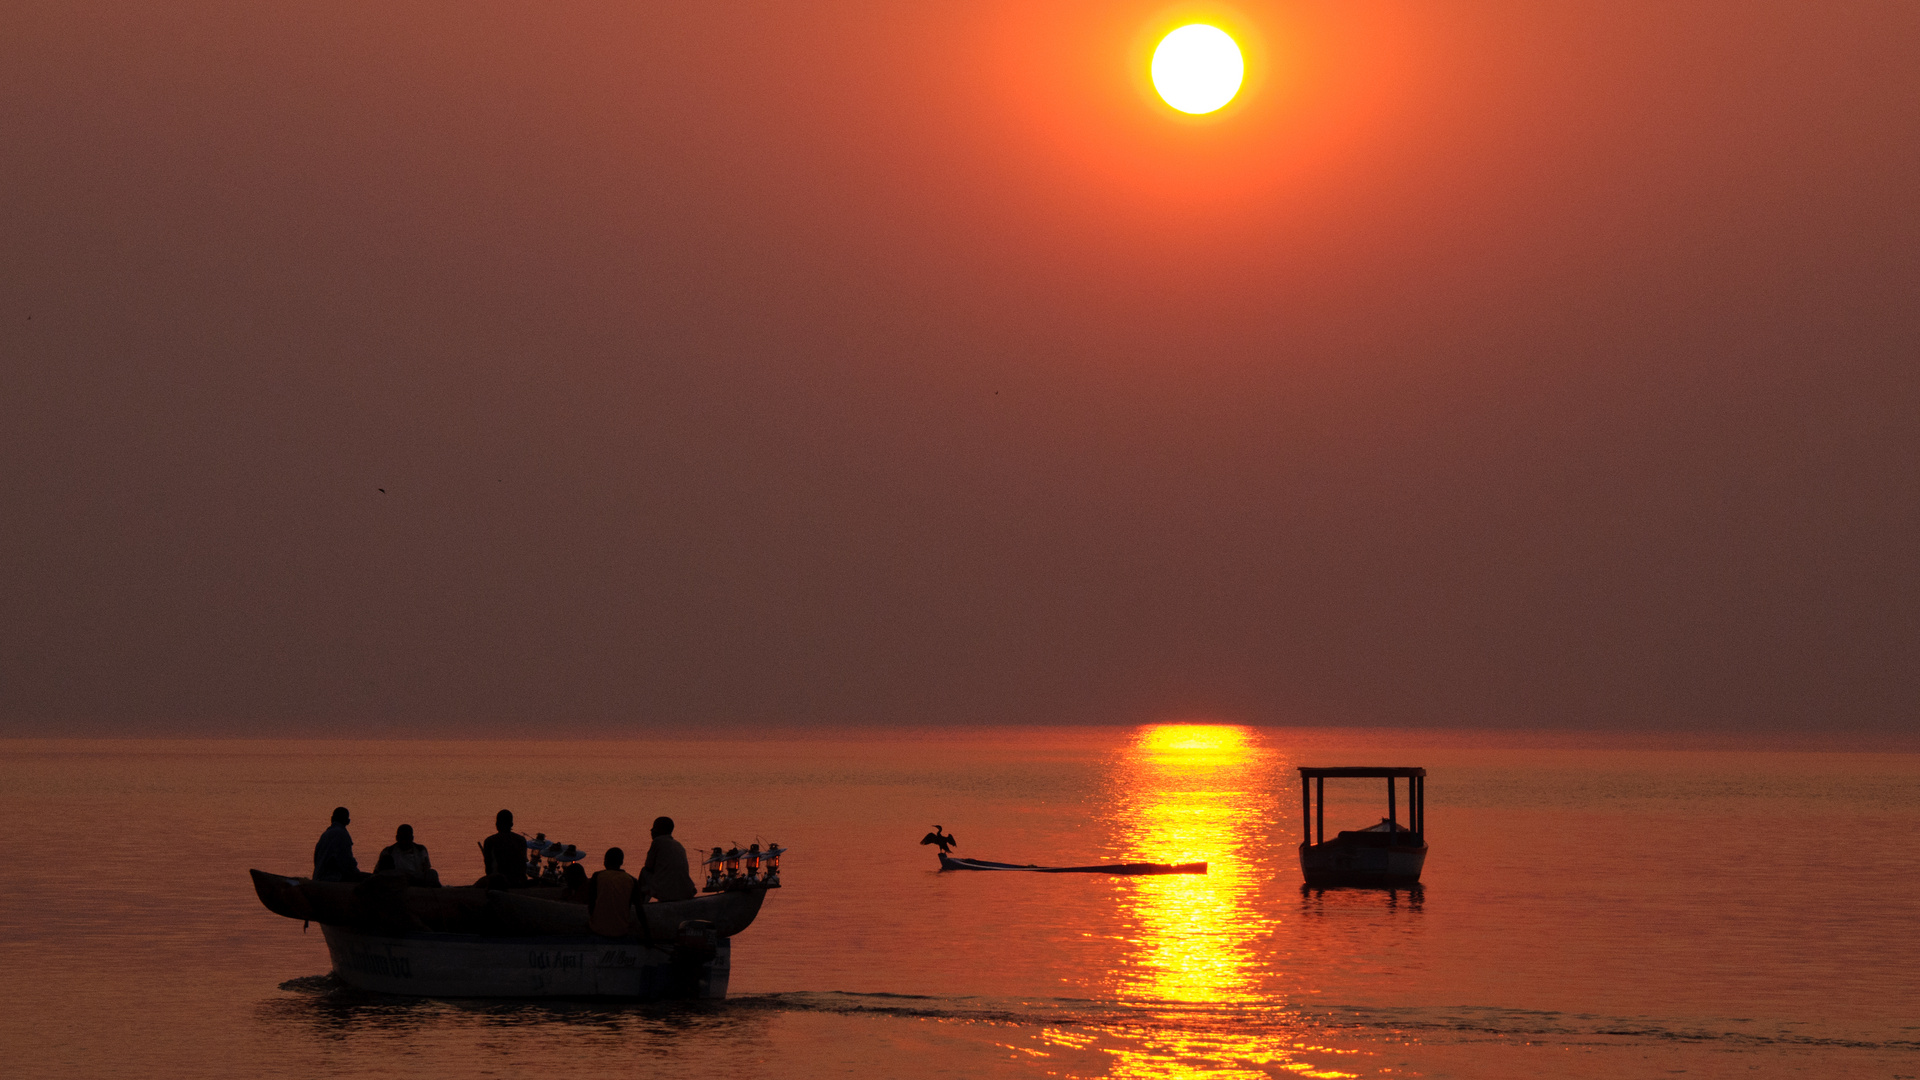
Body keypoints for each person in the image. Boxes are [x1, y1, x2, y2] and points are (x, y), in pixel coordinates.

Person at [638, 816, 697, 902]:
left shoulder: (657, 841)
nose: (651, 831)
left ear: (660, 830)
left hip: (667, 890)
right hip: (685, 890)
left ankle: (641, 904)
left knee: (644, 872)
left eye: (654, 828)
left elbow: (648, 866)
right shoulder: (678, 845)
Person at [587, 847, 637, 936]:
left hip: (598, 929)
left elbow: (591, 903)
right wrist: (648, 934)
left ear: (605, 862)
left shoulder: (597, 876)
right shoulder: (632, 880)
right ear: (621, 862)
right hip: (622, 930)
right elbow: (639, 908)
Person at [374, 824, 441, 887]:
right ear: (397, 838)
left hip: (417, 880)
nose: (404, 841)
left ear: (412, 838)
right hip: (396, 880)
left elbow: (426, 869)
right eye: (402, 838)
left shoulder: (421, 850)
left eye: (406, 838)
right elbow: (379, 872)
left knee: (432, 873)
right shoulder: (388, 852)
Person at [313, 806, 367, 882]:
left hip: (318, 876)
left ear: (332, 819)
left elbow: (316, 858)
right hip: (331, 879)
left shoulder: (325, 835)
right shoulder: (342, 834)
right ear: (348, 821)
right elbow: (347, 862)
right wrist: (358, 873)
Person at [479, 809, 529, 888]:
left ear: (497, 824)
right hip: (520, 881)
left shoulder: (490, 841)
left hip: (500, 883)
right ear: (511, 824)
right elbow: (523, 864)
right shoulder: (521, 840)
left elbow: (488, 868)